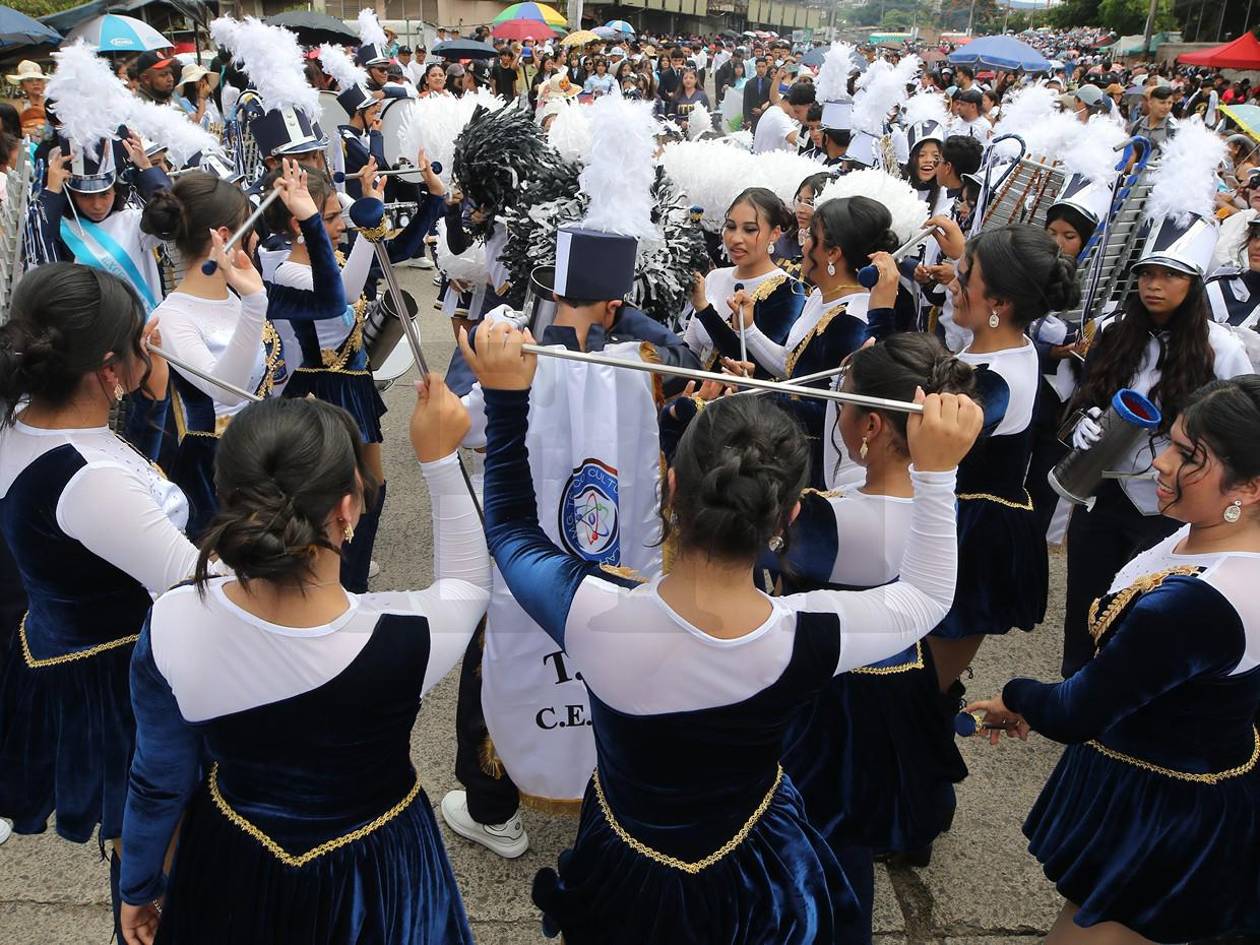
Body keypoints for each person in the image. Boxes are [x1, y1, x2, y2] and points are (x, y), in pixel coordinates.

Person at [466, 319, 982, 945]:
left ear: (672, 486)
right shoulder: (808, 634)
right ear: (790, 514)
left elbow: (512, 531)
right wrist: (937, 476)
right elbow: (926, 595)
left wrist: (505, 398)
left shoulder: (593, 614)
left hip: (630, 863)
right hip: (756, 866)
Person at [118, 385, 490, 945]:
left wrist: (138, 885)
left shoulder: (173, 619)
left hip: (234, 861)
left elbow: (157, 781)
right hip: (378, 869)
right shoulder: (409, 636)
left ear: (227, 496)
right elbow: (467, 582)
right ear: (347, 508)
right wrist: (438, 456)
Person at [967, 376, 1260, 944]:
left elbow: (1080, 708)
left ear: (1248, 488)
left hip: (1168, 820)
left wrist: (1020, 696)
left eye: (1188, 456)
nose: (1161, 464)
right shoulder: (1203, 536)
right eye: (1170, 443)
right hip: (1158, 775)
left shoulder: (1204, 601)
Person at [441, 224, 699, 859]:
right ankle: (610, 789)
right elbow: (690, 365)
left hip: (530, 559)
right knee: (614, 663)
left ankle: (493, 809)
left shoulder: (513, 353)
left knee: (501, 651)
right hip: (616, 565)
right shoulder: (643, 366)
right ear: (618, 303)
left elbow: (455, 427)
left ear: (550, 288)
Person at [0, 264, 192, 902]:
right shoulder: (90, 480)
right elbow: (196, 585)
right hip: (122, 681)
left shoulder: (23, 419)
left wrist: (149, 395)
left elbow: (110, 460)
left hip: (65, 651)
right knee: (157, 854)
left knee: (135, 840)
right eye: (140, 337)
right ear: (108, 368)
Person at [775, 334, 976, 938]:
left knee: (809, 841)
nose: (833, 410)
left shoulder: (830, 521)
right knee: (851, 843)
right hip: (897, 685)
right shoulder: (937, 501)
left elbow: (740, 539)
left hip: (828, 698)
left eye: (842, 401)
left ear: (867, 427)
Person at [1062, 219, 1251, 677]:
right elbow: (1081, 394)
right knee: (1087, 599)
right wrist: (1082, 425)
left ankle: (1122, 698)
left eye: (1171, 275)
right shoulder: (1113, 329)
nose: (1155, 285)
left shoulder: (1221, 347)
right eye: (1148, 273)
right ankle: (1074, 691)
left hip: (1172, 503)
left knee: (1142, 608)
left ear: (1194, 284)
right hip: (1102, 491)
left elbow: (1247, 423)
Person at [925, 221, 1080, 693]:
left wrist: (882, 312)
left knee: (917, 685)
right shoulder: (1012, 346)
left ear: (1000, 303)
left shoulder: (992, 381)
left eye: (964, 275)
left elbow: (918, 444)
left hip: (970, 534)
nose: (952, 282)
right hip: (969, 518)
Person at [137, 170, 308, 536]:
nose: (257, 236)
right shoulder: (171, 317)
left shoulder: (236, 294)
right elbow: (225, 390)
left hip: (262, 454)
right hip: (217, 476)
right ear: (226, 237)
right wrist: (255, 301)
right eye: (250, 226)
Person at [25, 132, 171, 314]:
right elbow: (39, 253)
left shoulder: (132, 221)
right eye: (85, 196)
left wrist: (147, 168)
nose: (97, 205)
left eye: (104, 194)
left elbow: (171, 217)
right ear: (71, 194)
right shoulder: (61, 229)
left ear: (116, 190)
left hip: (141, 328)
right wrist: (52, 191)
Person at [684, 188, 807, 375]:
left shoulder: (787, 290)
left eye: (750, 230)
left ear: (774, 234)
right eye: (731, 226)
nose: (735, 239)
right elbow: (690, 349)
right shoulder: (715, 277)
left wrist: (704, 309)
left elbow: (757, 365)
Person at [753, 81, 813, 154]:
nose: (798, 117)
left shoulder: (775, 110)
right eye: (797, 111)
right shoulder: (778, 118)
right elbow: (800, 142)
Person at [6, 60, 48, 138]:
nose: (35, 83)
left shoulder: (53, 103)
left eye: (38, 79)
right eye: (29, 80)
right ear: (22, 85)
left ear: (43, 83)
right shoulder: (15, 106)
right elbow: (9, 130)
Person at [175, 62, 222, 131]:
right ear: (190, 83)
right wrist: (202, 98)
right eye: (199, 79)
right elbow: (197, 122)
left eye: (204, 78)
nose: (203, 81)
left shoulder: (209, 98)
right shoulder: (185, 101)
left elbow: (217, 119)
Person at [1128, 85, 1177, 151]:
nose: (1166, 107)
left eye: (1170, 103)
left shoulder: (1174, 129)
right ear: (1150, 103)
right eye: (1162, 103)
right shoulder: (1136, 126)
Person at [743, 57, 773, 130]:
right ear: (755, 68)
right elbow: (746, 102)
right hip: (752, 116)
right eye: (759, 66)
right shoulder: (749, 83)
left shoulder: (771, 83)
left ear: (766, 68)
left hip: (766, 117)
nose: (761, 69)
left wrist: (762, 111)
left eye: (763, 67)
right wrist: (747, 119)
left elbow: (772, 100)